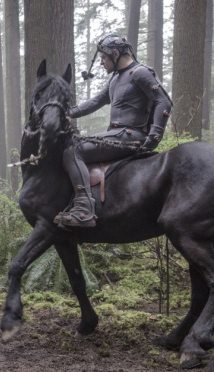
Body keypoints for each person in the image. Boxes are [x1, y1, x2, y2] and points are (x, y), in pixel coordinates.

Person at [53, 33, 172, 229]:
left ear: (115, 54)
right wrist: (67, 113)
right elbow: (96, 101)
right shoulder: (116, 78)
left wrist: (154, 136)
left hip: (131, 135)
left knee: (73, 150)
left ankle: (83, 209)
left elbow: (164, 101)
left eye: (103, 58)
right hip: (117, 134)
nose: (101, 63)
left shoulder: (140, 73)